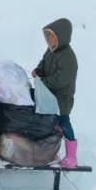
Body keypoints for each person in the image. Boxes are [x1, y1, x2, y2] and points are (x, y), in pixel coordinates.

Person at [32, 18, 79, 168]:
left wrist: (43, 81)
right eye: (47, 36)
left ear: (61, 37)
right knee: (52, 123)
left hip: (62, 99)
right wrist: (38, 71)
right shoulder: (50, 51)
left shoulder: (68, 57)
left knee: (64, 123)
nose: (49, 40)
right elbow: (44, 63)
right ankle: (51, 151)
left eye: (52, 36)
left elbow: (61, 79)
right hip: (50, 96)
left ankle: (72, 156)